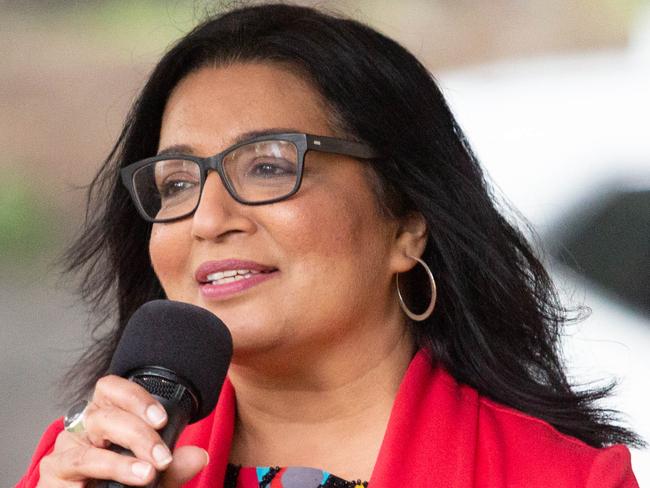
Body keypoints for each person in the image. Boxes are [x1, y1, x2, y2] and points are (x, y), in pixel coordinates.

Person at [17, 3, 641, 487]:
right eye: (177, 182)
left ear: (407, 223)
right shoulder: (86, 463)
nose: (208, 219)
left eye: (267, 166)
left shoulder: (559, 478)